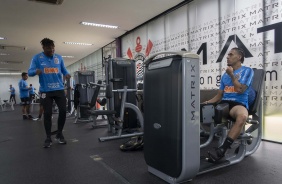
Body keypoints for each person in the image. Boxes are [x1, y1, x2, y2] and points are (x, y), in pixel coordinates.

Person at [204, 47, 254, 163]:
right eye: (227, 55)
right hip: (224, 103)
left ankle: (222, 150)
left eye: (231, 55)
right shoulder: (224, 76)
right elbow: (219, 96)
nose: (227, 57)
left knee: (242, 117)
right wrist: (206, 103)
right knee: (203, 111)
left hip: (238, 103)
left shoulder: (247, 71)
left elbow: (240, 89)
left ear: (239, 57)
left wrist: (232, 75)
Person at [28, 38, 71, 148]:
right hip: (45, 91)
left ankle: (59, 133)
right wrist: (35, 71)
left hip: (59, 89)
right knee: (47, 113)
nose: (51, 50)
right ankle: (48, 137)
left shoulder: (59, 57)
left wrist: (66, 74)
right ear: (43, 48)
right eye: (48, 49)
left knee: (63, 111)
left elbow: (63, 69)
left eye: (53, 48)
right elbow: (29, 72)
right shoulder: (37, 58)